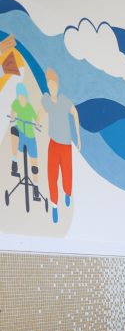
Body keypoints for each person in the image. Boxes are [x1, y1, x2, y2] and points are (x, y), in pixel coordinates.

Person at [39, 68, 81, 224]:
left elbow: (75, 113)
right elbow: (41, 112)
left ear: (57, 84)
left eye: (53, 85)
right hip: (53, 144)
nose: (51, 88)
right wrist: (37, 122)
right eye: (49, 86)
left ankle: (67, 192)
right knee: (52, 176)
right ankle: (54, 205)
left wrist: (78, 137)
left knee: (67, 174)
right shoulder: (47, 101)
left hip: (65, 145)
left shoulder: (64, 100)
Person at [9, 82, 39, 178]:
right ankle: (14, 161)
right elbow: (12, 113)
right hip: (20, 130)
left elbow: (36, 118)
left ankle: (36, 185)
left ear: (26, 96)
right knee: (14, 130)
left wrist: (37, 123)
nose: (22, 98)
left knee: (34, 163)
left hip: (30, 134)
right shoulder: (16, 103)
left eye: (23, 96)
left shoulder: (29, 107)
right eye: (20, 96)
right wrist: (12, 118)